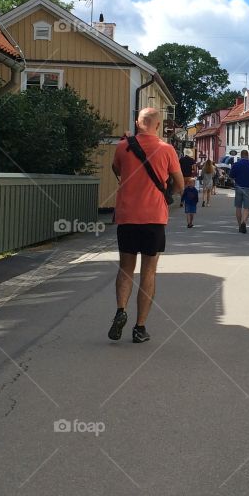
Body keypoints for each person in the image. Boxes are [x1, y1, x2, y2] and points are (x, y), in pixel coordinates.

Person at [108, 107, 184, 343]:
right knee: (148, 272)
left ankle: (121, 310)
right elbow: (180, 185)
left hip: (128, 217)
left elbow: (116, 169)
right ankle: (139, 328)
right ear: (158, 126)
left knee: (125, 269)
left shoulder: (123, 146)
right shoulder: (167, 149)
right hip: (154, 218)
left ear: (137, 123)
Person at [229, 148, 249, 233]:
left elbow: (231, 175)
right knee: (247, 208)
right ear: (248, 156)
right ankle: (243, 222)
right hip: (248, 189)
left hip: (238, 188)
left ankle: (239, 225)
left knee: (238, 207)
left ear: (241, 156)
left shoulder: (236, 164)